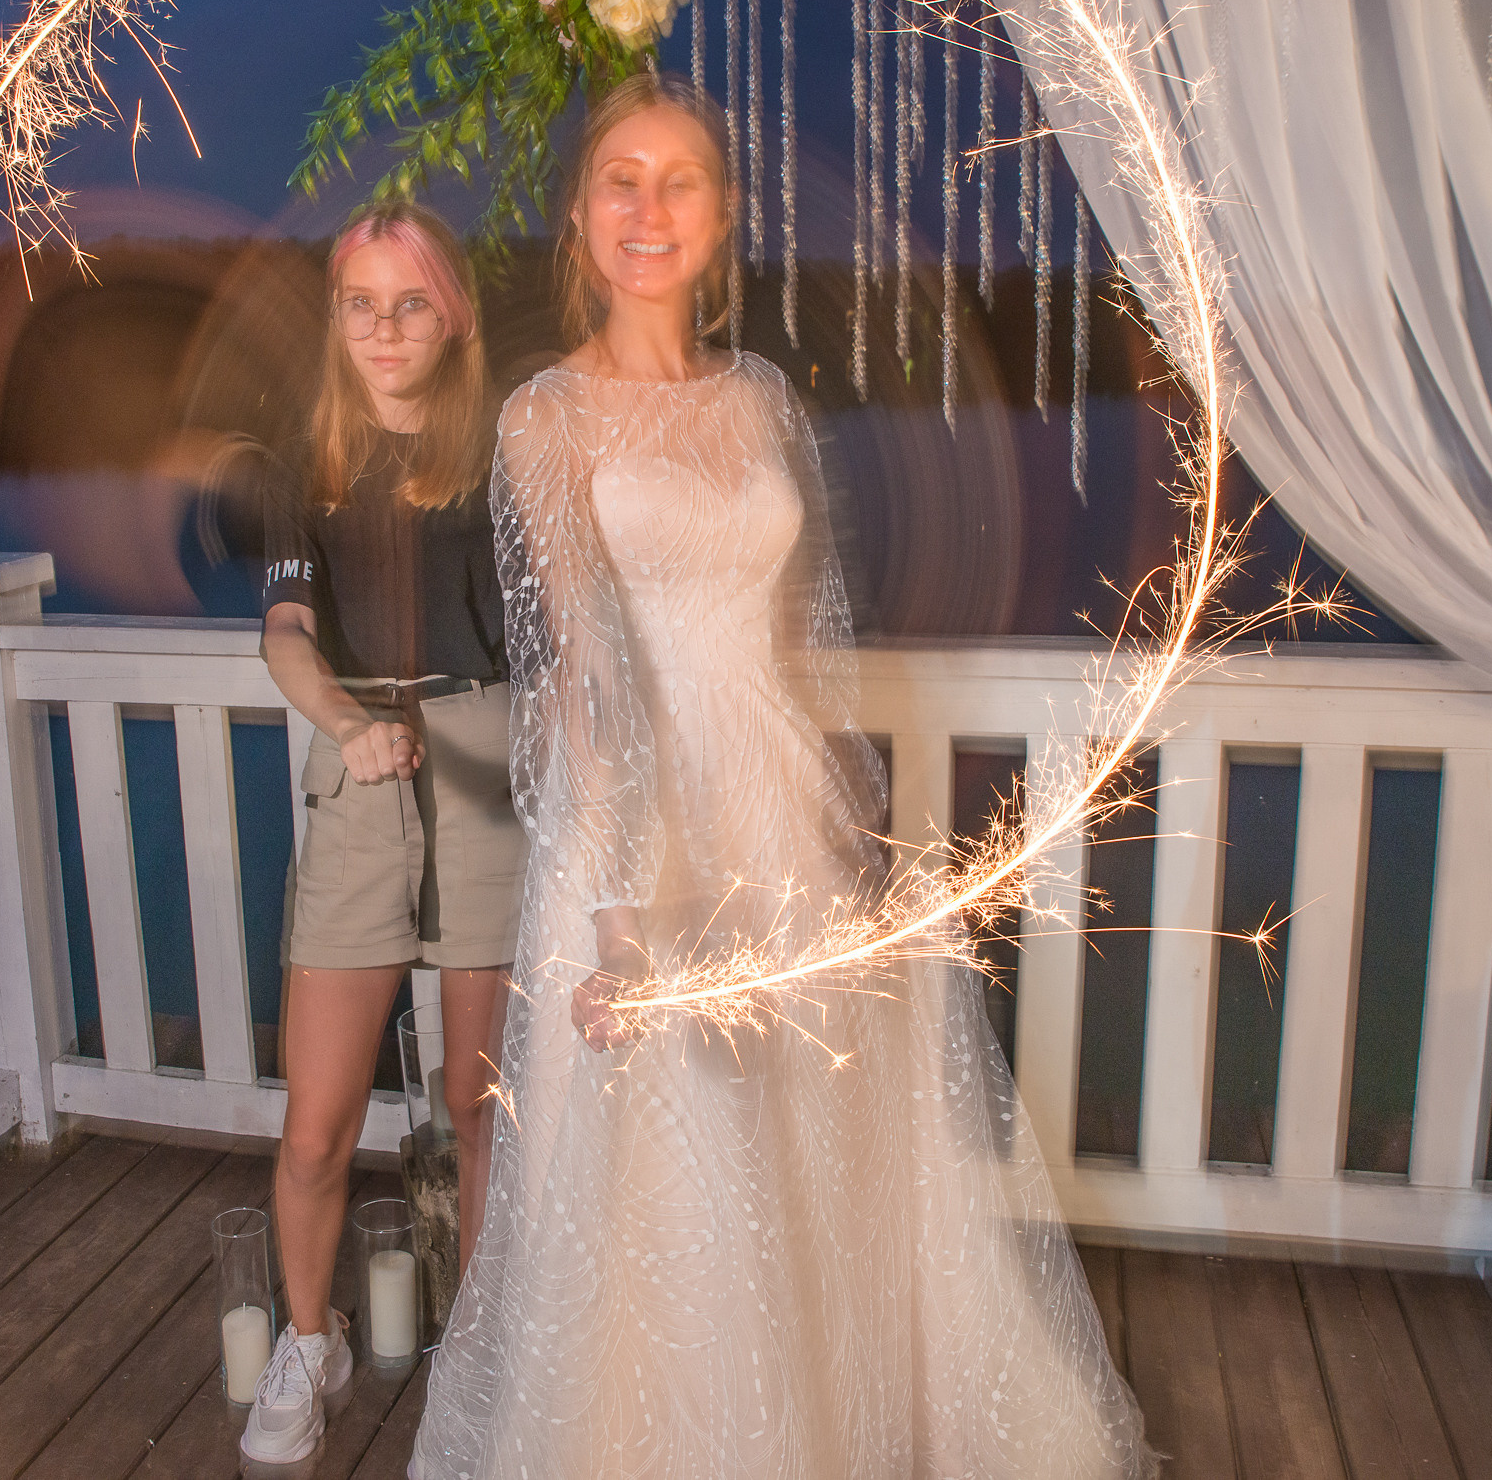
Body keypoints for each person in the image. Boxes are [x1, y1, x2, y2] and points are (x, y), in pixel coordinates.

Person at [411, 75, 1152, 1479]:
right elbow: (582, 674)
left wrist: (850, 825)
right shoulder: (545, 418)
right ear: (578, 219)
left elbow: (799, 644)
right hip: (643, 824)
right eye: (619, 180)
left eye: (679, 179)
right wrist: (624, 912)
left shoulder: (759, 400)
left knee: (825, 1140)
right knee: (683, 1171)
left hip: (775, 812)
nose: (648, 207)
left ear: (722, 216)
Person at [243, 200, 523, 1467]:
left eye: (409, 301)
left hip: (483, 769)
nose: (384, 327)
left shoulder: (508, 449)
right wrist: (348, 724)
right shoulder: (300, 461)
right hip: (355, 773)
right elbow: (285, 635)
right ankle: (311, 1343)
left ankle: (493, 1344)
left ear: (451, 312)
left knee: (480, 1108)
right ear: (335, 319)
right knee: (317, 1122)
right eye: (360, 303)